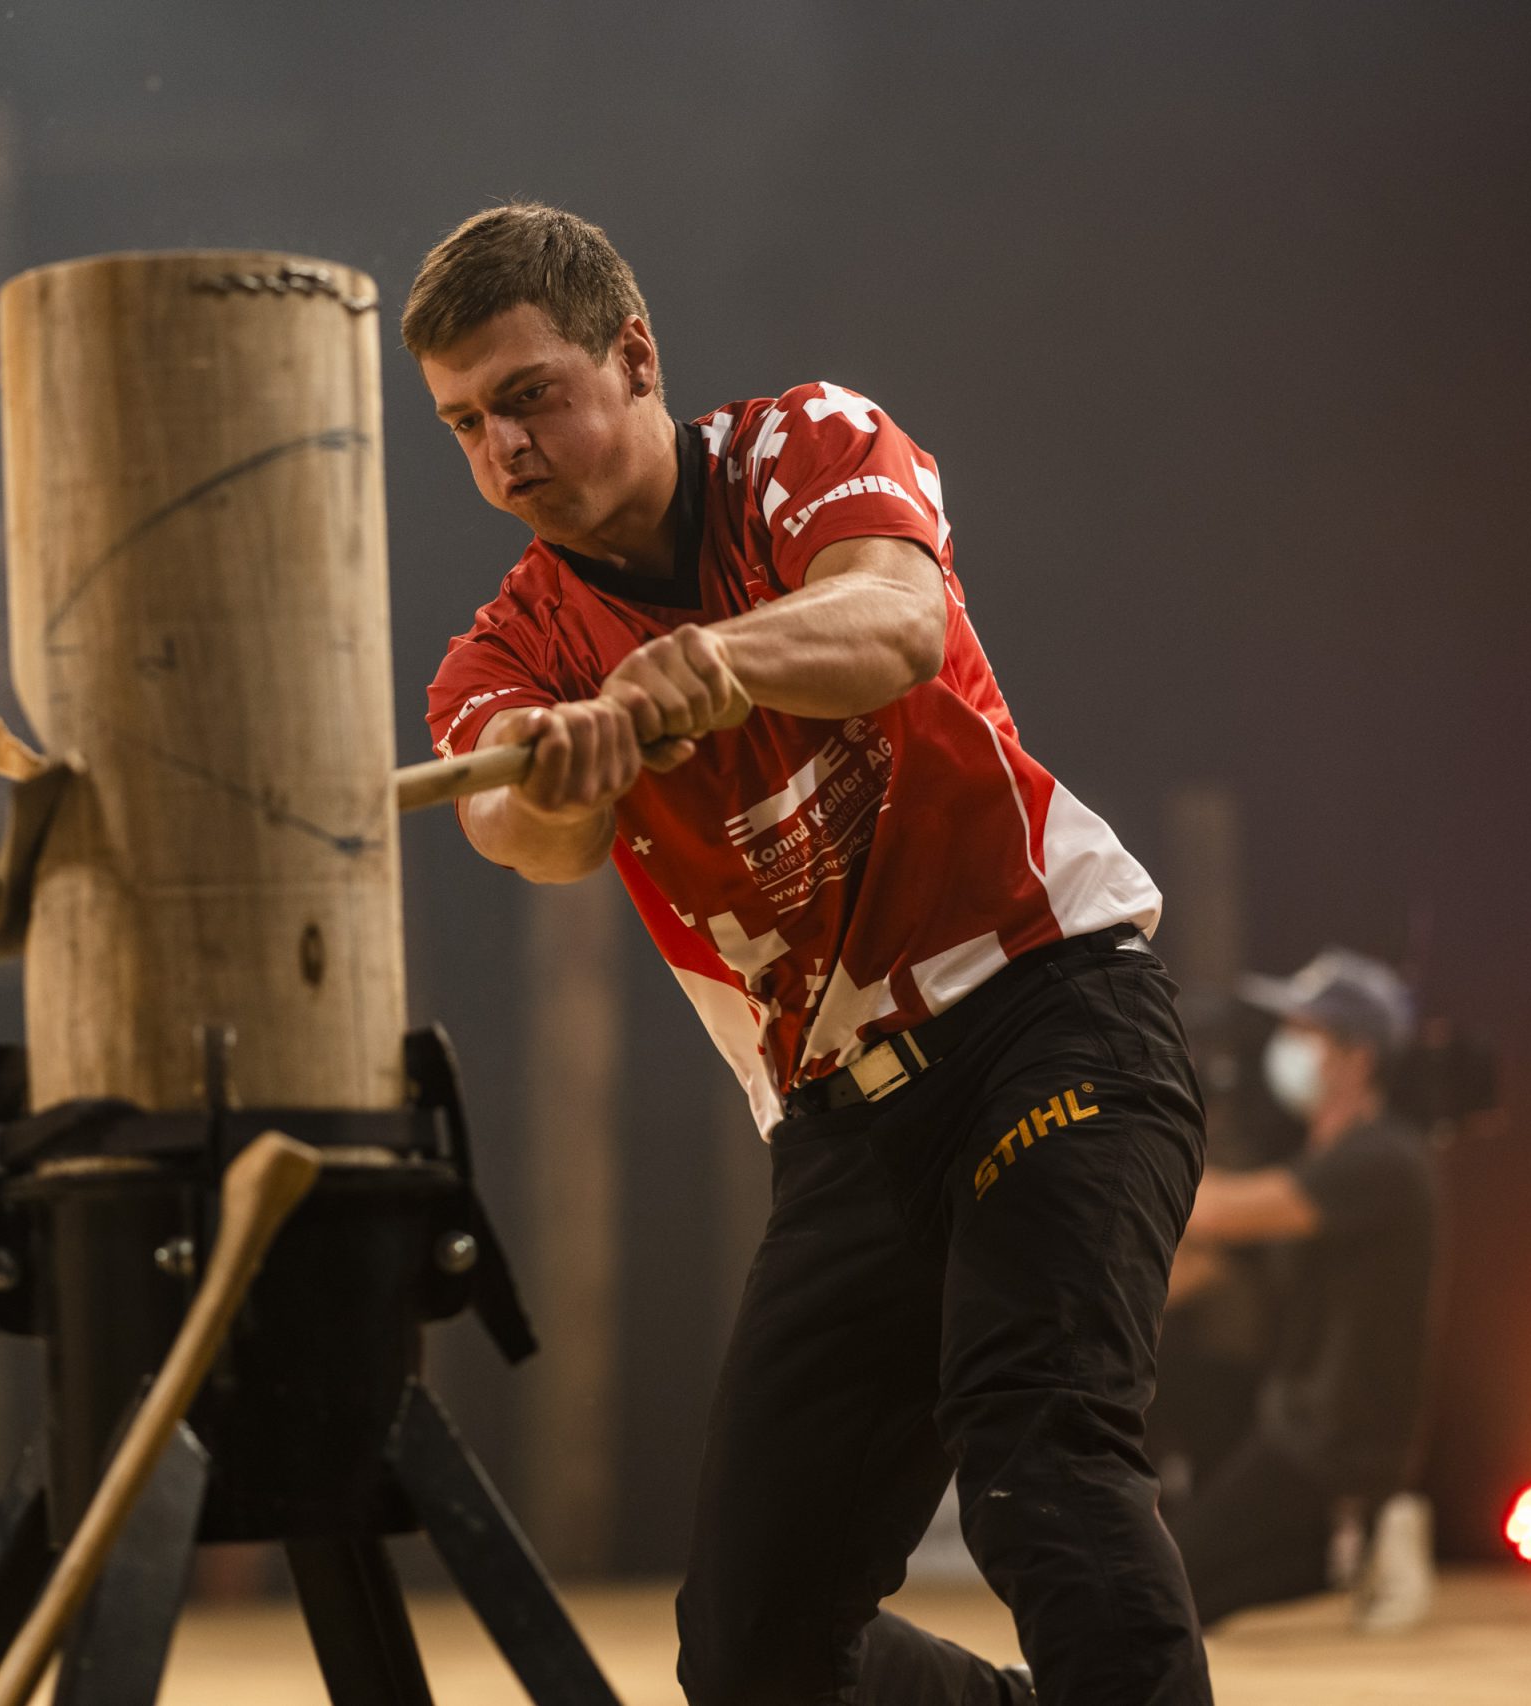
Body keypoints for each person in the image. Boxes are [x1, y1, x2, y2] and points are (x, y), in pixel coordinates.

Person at [405, 203, 1212, 1706]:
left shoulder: (806, 446)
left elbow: (895, 619)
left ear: (635, 359)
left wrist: (714, 661)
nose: (502, 451)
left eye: (529, 396)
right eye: (464, 423)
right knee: (754, 1649)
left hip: (1050, 1005)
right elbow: (524, 827)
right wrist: (545, 773)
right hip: (843, 1125)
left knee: (1038, 1448)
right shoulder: (507, 650)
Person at [1163, 949, 1440, 1631]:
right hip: (1286, 1425)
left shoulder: (1384, 1160)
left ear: (1357, 1055)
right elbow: (1209, 1263)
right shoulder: (1314, 1166)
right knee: (1185, 1593)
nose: (1287, 1047)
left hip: (1336, 1439)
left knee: (1163, 1590)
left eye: (1306, 1032)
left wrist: (1134, 1140)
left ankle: (1366, 1533)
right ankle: (1350, 1550)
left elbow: (1218, 1214)